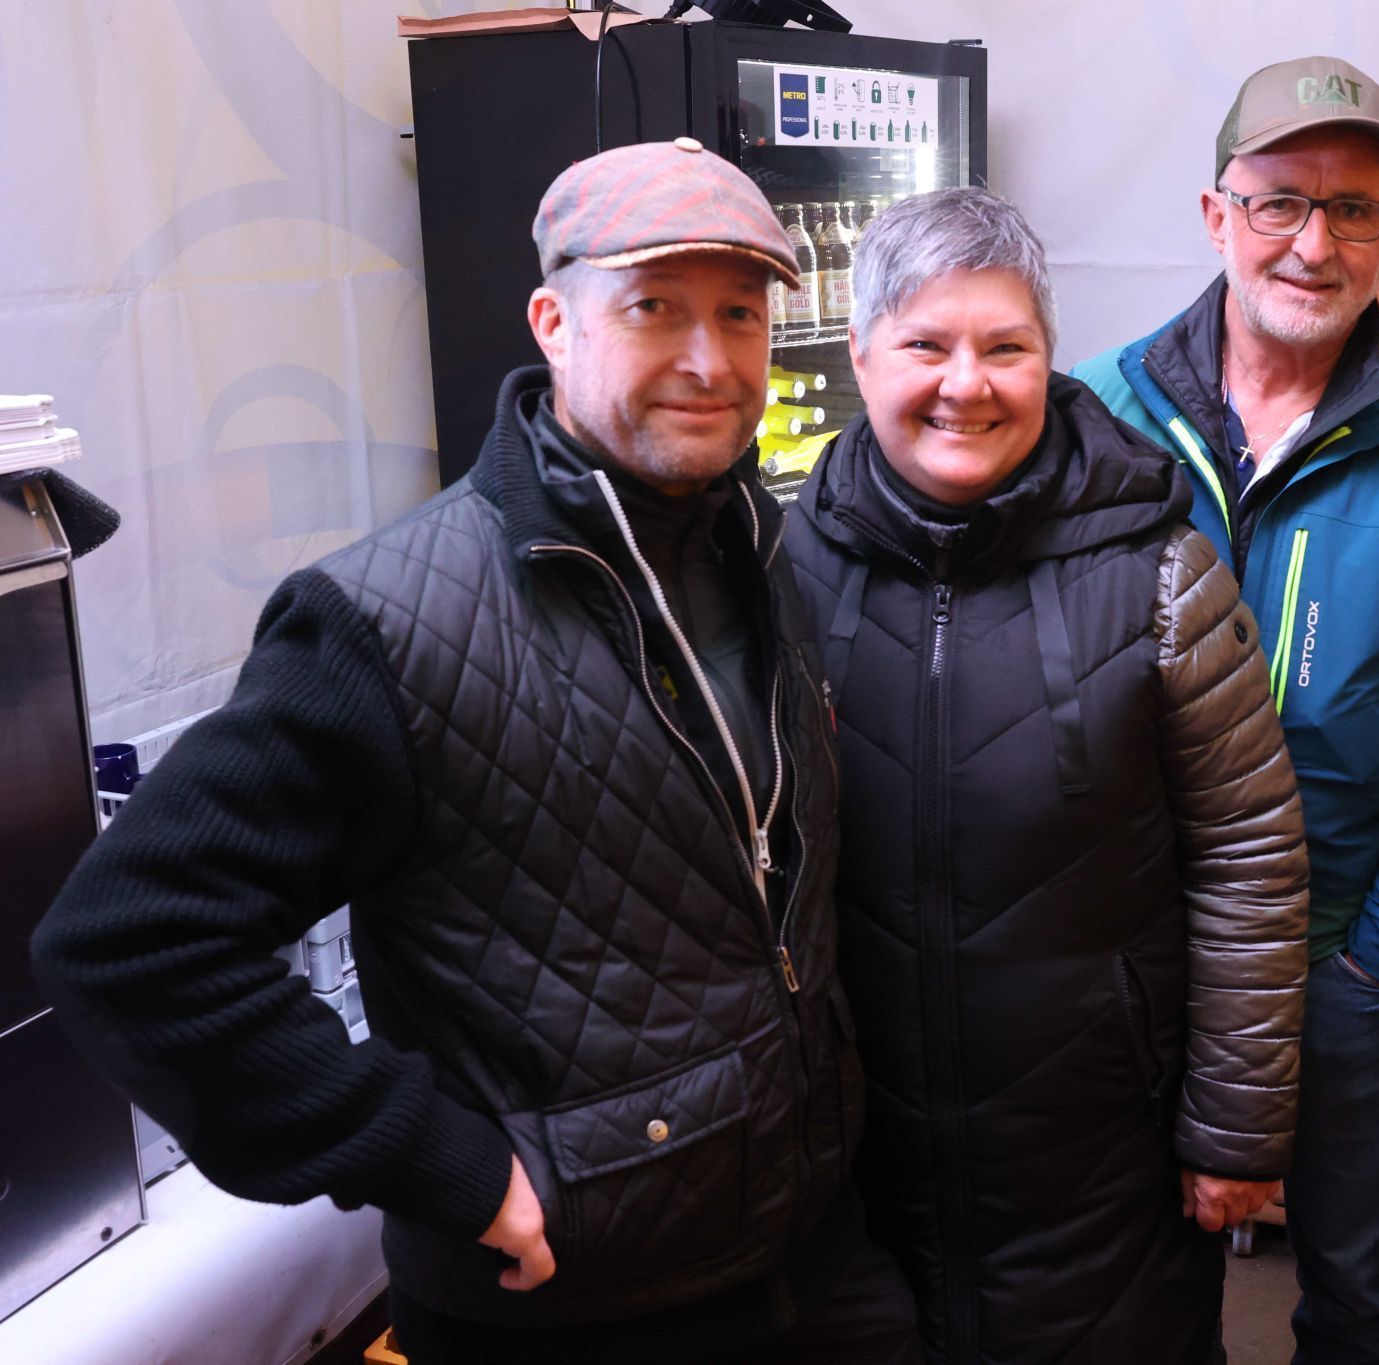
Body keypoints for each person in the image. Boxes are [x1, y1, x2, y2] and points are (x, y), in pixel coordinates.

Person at [31, 139, 916, 1365]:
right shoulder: (390, 619)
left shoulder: (755, 548)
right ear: (554, 322)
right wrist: (441, 1163)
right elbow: (130, 937)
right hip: (573, 1302)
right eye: (655, 308)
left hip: (805, 1250)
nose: (711, 361)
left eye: (741, 312)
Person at [785, 187, 1311, 1363]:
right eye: (925, 344)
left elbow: (1250, 858)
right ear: (860, 356)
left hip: (1099, 1155)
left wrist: (1234, 1127)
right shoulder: (785, 563)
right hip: (860, 1160)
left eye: (1003, 347)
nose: (964, 383)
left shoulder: (1161, 573)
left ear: (1047, 358)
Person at [1073, 55, 1379, 1362]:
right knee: (1143, 1278)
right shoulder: (1099, 411)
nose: (1314, 243)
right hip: (1140, 945)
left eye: (1356, 208)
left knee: (1359, 1288)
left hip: (1347, 952)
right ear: (1217, 216)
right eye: (1279, 202)